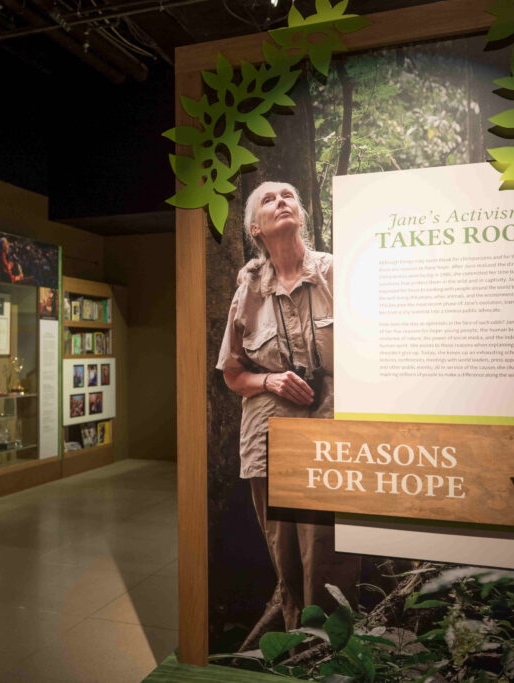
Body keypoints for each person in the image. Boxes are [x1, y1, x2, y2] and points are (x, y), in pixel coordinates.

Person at [216, 180, 348, 647]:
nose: (281, 202)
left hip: (331, 430)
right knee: (286, 552)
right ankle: (299, 647)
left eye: (288, 195)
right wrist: (269, 380)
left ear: (302, 213)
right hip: (268, 437)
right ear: (255, 227)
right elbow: (232, 375)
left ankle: (335, 649)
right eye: (268, 200)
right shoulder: (249, 288)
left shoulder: (335, 271)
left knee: (327, 547)